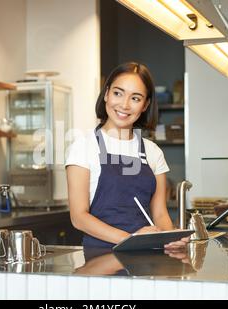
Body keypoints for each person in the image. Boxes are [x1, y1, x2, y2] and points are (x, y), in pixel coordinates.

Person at [66, 61, 189, 249]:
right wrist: (130, 239)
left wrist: (168, 237)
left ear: (145, 105)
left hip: (147, 258)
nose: (124, 105)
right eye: (118, 93)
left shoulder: (152, 151)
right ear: (106, 94)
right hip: (101, 262)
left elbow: (160, 214)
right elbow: (79, 217)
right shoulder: (83, 147)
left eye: (136, 98)